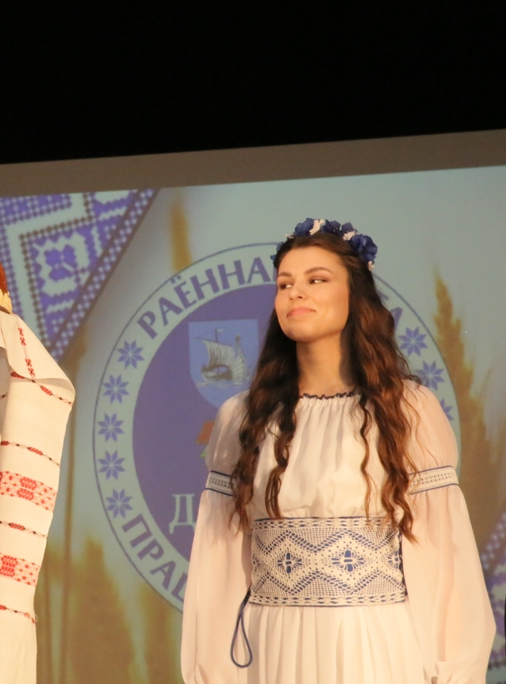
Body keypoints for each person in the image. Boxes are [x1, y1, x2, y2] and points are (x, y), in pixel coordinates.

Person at [181, 219, 495, 683]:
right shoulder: (242, 417)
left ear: (355, 295)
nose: (295, 292)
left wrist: (453, 671)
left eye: (317, 280)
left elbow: (443, 555)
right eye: (284, 283)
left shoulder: (406, 409)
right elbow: (219, 563)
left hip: (372, 642)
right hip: (273, 645)